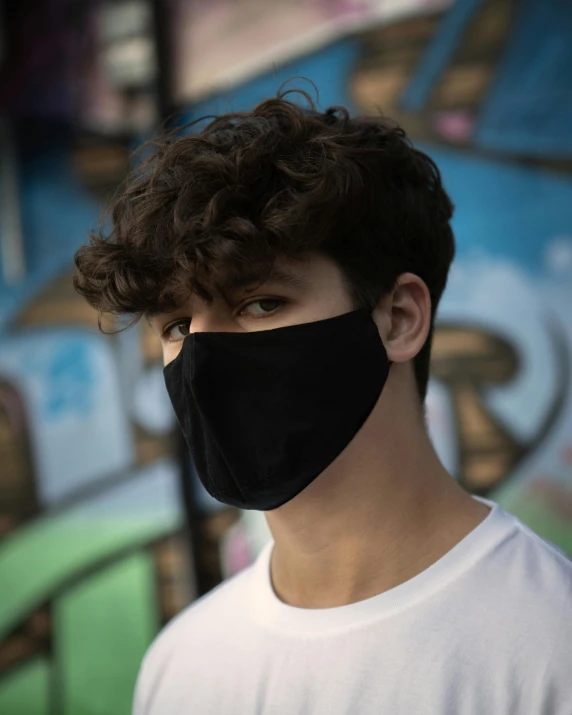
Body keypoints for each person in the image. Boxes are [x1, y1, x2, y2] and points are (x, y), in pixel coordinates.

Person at [74, 90, 572, 714]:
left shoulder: (551, 649)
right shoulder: (180, 667)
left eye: (260, 303)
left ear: (397, 318)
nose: (202, 359)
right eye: (176, 325)